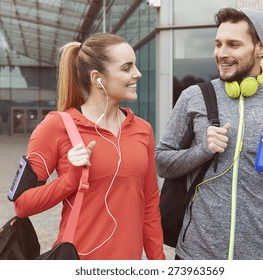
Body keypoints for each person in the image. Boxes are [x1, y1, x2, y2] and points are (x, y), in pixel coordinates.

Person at [155, 7, 263, 260]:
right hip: (196, 254)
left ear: (260, 48)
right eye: (218, 44)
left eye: (233, 44)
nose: (221, 54)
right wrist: (202, 150)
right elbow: (162, 162)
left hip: (261, 255)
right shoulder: (193, 97)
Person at [13, 33, 166, 260]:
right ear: (97, 79)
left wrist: (158, 263)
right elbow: (22, 205)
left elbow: (150, 205)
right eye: (127, 68)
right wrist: (70, 180)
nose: (138, 74)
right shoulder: (57, 126)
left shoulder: (143, 130)